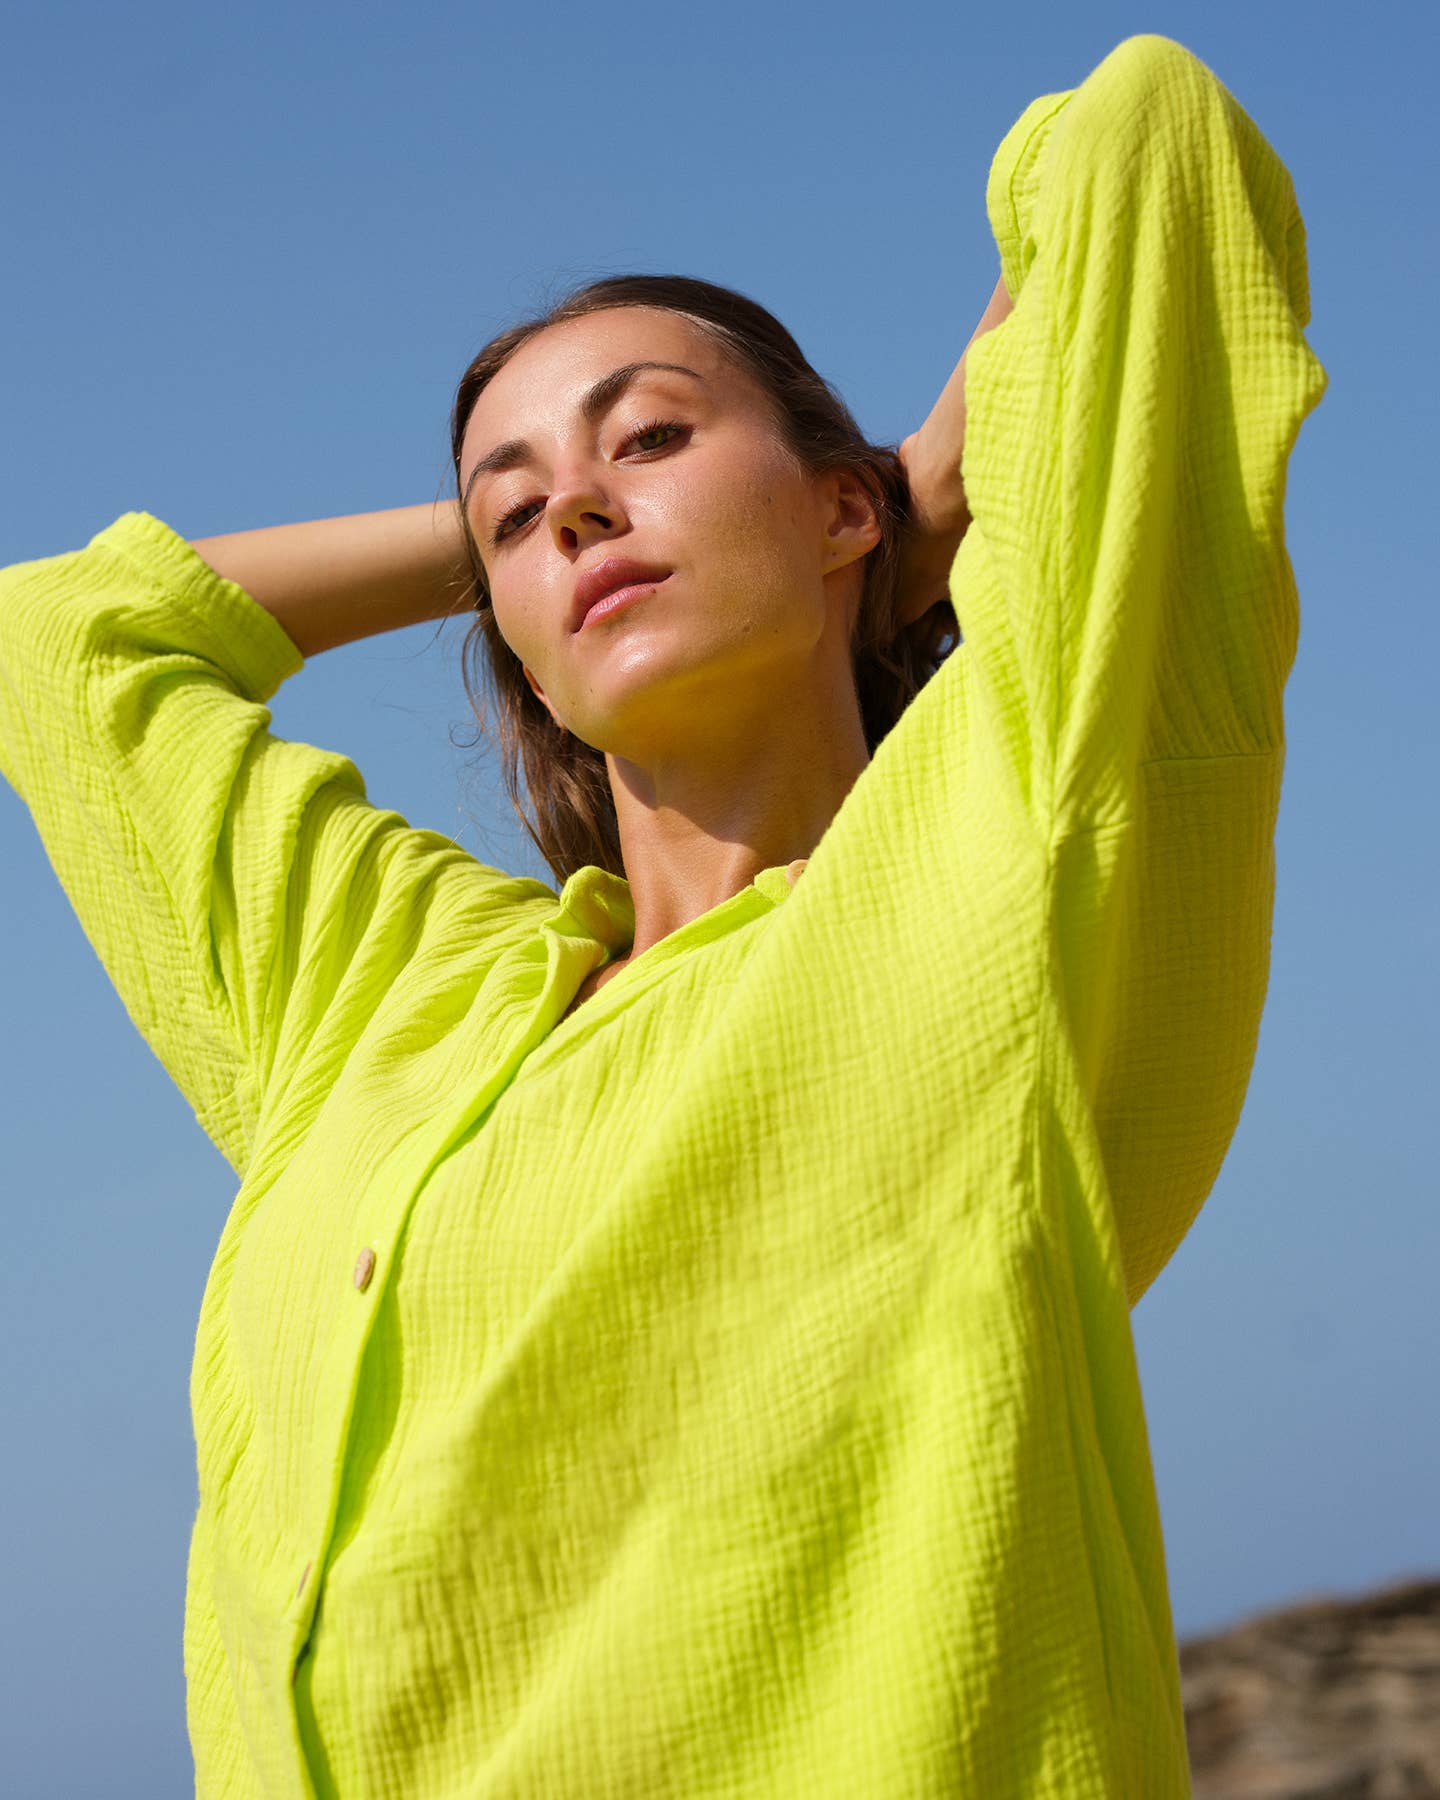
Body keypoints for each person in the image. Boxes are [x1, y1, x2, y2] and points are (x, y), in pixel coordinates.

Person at [0, 32, 1327, 1799]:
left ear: (845, 503)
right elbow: (65, 644)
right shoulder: (381, 992)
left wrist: (913, 491)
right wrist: (503, 547)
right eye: (517, 504)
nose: (577, 504)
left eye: (652, 435)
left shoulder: (1013, 853)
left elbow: (1144, 144)